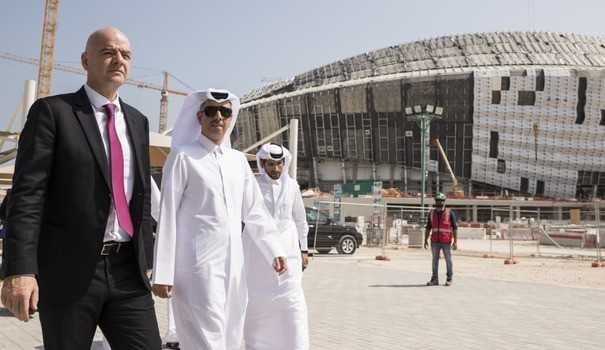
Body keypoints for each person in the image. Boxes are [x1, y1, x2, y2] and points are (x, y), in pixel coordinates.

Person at [0, 27, 162, 349]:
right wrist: (20, 270)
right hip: (68, 273)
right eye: (108, 52)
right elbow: (27, 195)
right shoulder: (53, 113)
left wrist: (147, 257)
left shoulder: (138, 121)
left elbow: (140, 196)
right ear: (85, 60)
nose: (119, 60)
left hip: (127, 271)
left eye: (126, 54)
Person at [151, 89, 288, 350]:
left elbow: (255, 211)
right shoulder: (183, 157)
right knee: (206, 337)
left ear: (231, 118)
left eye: (225, 112)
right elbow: (167, 214)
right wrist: (163, 271)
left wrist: (274, 249)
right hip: (196, 267)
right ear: (199, 117)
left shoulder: (237, 161)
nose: (218, 117)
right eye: (211, 111)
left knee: (232, 334)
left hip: (234, 265)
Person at [243, 143, 310, 350]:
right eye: (271, 164)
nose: (276, 169)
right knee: (257, 305)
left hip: (289, 249)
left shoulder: (292, 186)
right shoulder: (251, 185)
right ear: (263, 163)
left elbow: (300, 219)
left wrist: (304, 249)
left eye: (279, 164)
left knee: (293, 302)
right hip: (257, 253)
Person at [424, 192, 458, 286]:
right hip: (435, 241)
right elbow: (428, 227)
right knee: (434, 260)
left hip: (446, 241)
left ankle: (449, 278)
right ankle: (435, 279)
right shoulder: (431, 213)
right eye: (438, 201)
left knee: (448, 260)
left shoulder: (450, 213)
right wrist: (425, 240)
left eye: (441, 201)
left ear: (444, 202)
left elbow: (455, 228)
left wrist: (455, 242)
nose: (439, 203)